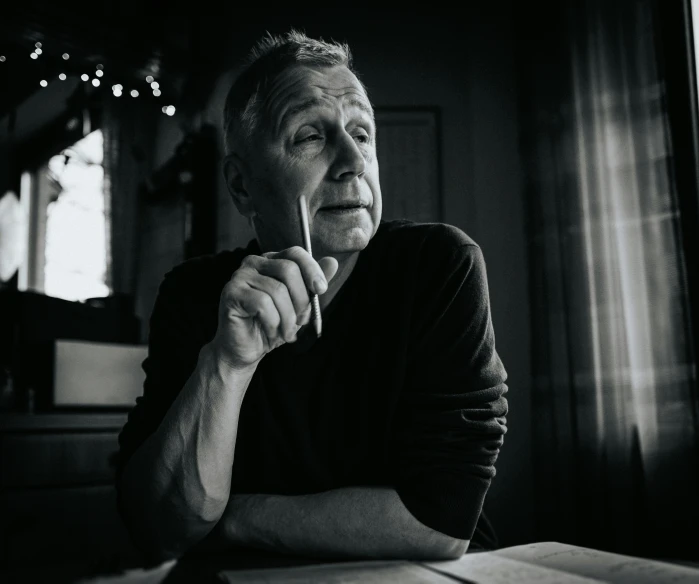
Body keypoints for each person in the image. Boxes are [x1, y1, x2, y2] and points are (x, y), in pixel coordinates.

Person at [116, 30, 508, 565]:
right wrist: (226, 365)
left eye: (362, 133)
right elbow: (159, 527)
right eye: (309, 136)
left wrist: (229, 519)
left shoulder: (438, 265)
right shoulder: (193, 296)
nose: (352, 161)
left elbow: (439, 520)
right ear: (242, 187)